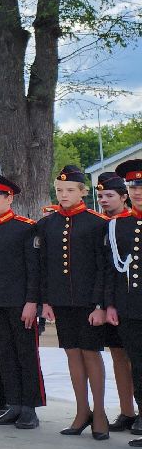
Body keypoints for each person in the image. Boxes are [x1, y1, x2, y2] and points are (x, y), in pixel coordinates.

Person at [38, 166, 110, 438]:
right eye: (59, 190)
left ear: (83, 192)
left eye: (69, 190)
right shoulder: (47, 224)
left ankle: (100, 412)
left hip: (89, 302)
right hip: (61, 301)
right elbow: (44, 266)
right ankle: (82, 411)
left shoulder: (97, 223)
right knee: (71, 353)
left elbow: (104, 267)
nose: (64, 195)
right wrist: (46, 300)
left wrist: (100, 304)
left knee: (91, 353)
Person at [0, 173, 44, 430]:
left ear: (9, 198)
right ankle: (13, 403)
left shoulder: (25, 227)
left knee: (25, 354)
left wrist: (32, 301)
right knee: (4, 353)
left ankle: (30, 407)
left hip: (19, 301)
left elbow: (33, 269)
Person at [104, 159, 142, 447]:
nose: (137, 191)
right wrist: (112, 304)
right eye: (133, 186)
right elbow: (113, 270)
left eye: (141, 185)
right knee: (138, 365)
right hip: (130, 307)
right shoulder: (118, 225)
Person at [96, 172, 138, 430]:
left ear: (123, 197)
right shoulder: (100, 223)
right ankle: (127, 411)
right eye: (100, 196)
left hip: (130, 301)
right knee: (119, 357)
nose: (103, 200)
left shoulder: (123, 223)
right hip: (113, 302)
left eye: (109, 196)